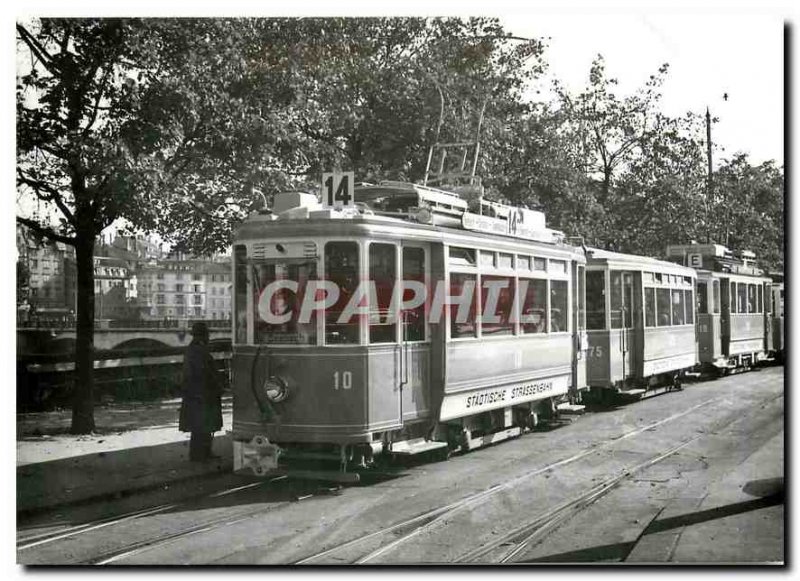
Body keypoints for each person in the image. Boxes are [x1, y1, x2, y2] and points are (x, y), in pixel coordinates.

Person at [179, 322, 224, 462]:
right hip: (203, 394)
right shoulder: (200, 351)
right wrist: (218, 387)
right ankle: (201, 454)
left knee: (199, 425)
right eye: (206, 334)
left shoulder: (193, 349)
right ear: (204, 335)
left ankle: (200, 453)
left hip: (195, 394)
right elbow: (206, 373)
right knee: (204, 424)